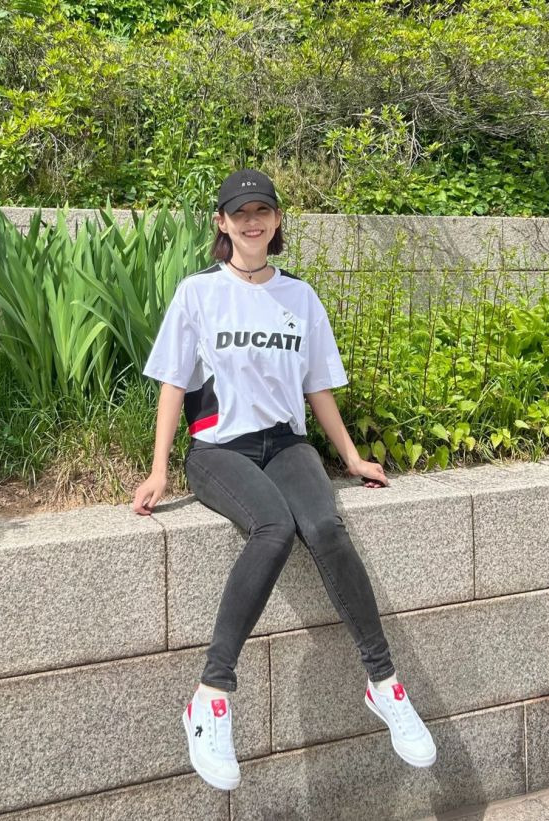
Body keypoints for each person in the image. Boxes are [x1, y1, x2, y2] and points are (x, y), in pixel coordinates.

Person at [132, 169, 436, 791]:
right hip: (218, 449)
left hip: (286, 444)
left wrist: (351, 458)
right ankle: (211, 696)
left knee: (325, 527)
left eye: (263, 212)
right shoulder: (198, 293)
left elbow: (317, 387)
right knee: (272, 526)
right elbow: (173, 383)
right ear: (221, 223)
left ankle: (384, 684)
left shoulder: (300, 297)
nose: (252, 222)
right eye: (240, 213)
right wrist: (160, 468)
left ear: (276, 221)